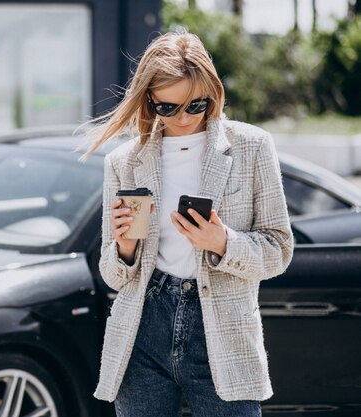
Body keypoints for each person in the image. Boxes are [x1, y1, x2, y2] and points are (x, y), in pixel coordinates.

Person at [79, 28, 294, 416]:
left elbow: (279, 250)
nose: (183, 117)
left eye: (197, 105)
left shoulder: (252, 146)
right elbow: (112, 276)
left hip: (223, 332)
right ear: (149, 101)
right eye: (168, 107)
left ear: (212, 93)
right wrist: (124, 247)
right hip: (143, 328)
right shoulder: (124, 162)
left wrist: (222, 241)